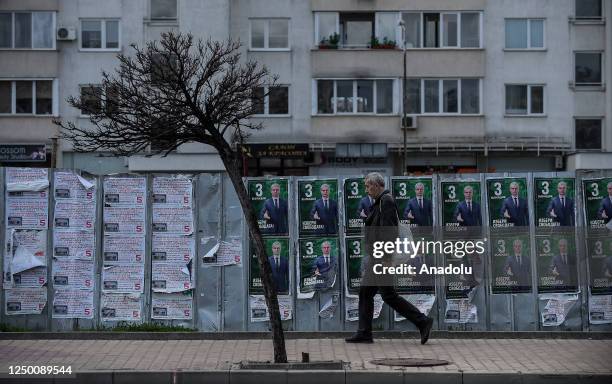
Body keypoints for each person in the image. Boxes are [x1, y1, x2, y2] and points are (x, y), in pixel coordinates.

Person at [346, 172, 433, 344]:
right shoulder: (380, 202)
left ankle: (423, 321)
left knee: (388, 295)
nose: (366, 189)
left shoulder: (386, 201)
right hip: (377, 256)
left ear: (377, 185)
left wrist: (386, 258)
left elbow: (390, 231)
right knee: (366, 293)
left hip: (381, 257)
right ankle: (364, 332)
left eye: (368, 185)